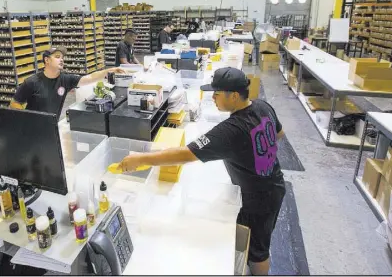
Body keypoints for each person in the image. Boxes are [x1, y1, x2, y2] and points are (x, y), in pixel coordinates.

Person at [118, 67, 286, 276]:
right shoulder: (262, 106)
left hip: (259, 197)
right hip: (274, 183)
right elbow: (279, 134)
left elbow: (185, 154)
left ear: (233, 96)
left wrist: (141, 159)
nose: (213, 97)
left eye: (217, 93)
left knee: (258, 251)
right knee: (256, 237)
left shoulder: (231, 130)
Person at [10, 47, 125, 115]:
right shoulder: (31, 82)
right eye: (57, 56)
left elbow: (89, 78)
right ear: (47, 60)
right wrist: (28, 118)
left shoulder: (65, 79)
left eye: (62, 57)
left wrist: (111, 70)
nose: (61, 60)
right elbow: (14, 103)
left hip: (51, 127)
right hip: (32, 129)